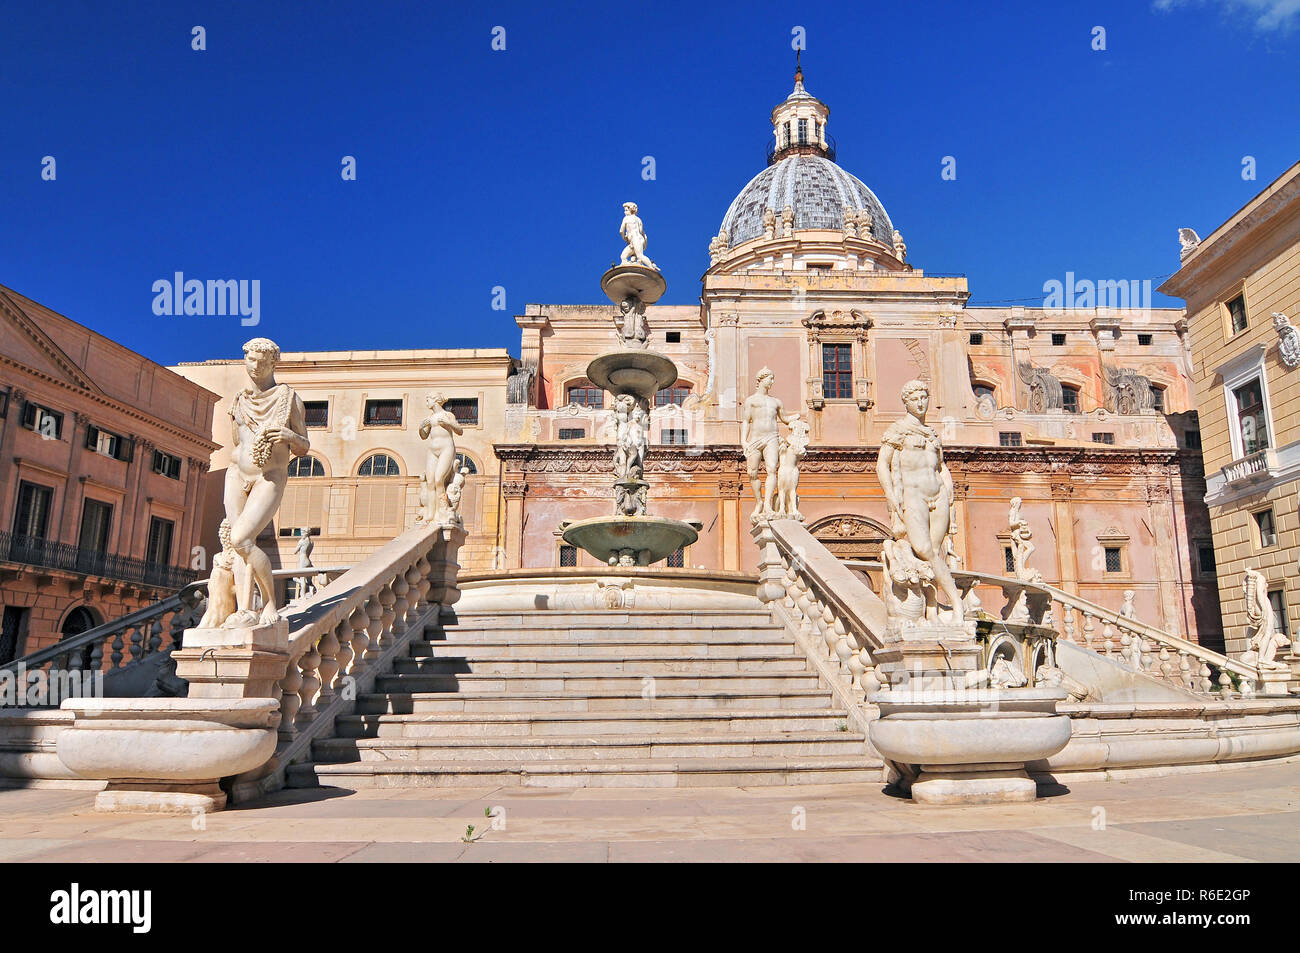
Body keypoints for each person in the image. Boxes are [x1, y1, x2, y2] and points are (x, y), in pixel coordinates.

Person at [876, 380, 964, 623]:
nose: (920, 402)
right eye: (915, 398)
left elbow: (942, 466)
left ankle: (932, 609)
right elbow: (882, 465)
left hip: (939, 495)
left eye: (924, 397)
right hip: (913, 495)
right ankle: (957, 602)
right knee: (924, 550)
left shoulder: (932, 433)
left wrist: (950, 491)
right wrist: (892, 497)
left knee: (935, 552)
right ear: (905, 402)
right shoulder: (897, 430)